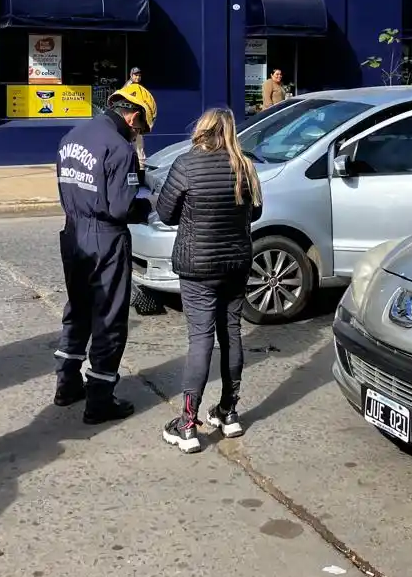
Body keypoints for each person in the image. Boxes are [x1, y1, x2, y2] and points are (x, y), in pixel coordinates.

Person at [155, 107, 262, 453]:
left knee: (200, 340)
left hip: (198, 268)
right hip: (236, 264)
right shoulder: (244, 165)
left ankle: (187, 424)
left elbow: (166, 213)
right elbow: (256, 211)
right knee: (231, 333)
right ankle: (228, 413)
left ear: (202, 129)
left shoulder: (186, 164)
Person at [54, 81, 156, 424]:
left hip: (73, 232)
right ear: (133, 117)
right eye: (141, 127)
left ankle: (66, 383)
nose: (138, 134)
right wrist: (150, 205)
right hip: (105, 237)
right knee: (109, 317)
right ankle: (99, 399)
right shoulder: (119, 148)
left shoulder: (71, 137)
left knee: (77, 309)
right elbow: (120, 208)